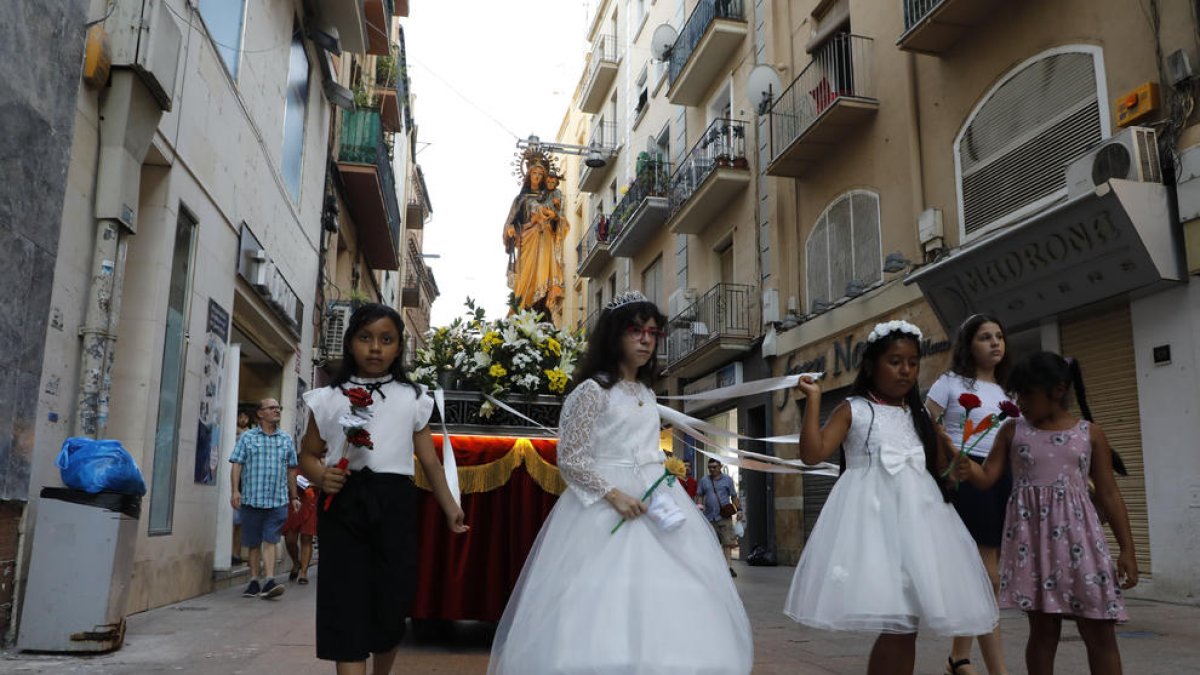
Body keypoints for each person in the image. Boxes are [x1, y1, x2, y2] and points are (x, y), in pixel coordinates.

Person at [488, 291, 753, 675]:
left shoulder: (646, 392)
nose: (646, 339)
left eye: (652, 332)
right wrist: (613, 495)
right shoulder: (591, 391)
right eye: (636, 331)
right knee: (601, 600)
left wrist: (664, 477)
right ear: (614, 335)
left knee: (669, 596)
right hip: (604, 507)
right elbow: (572, 457)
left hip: (657, 502)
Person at [784, 320, 998, 675]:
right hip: (873, 526)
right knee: (898, 625)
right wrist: (815, 401)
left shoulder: (918, 417)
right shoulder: (853, 409)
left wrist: (954, 464)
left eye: (913, 362)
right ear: (871, 366)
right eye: (895, 361)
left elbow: (944, 475)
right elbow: (812, 452)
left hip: (920, 528)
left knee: (907, 625)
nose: (906, 370)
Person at [299, 303, 467, 674]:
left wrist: (450, 505)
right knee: (345, 603)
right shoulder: (328, 398)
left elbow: (429, 462)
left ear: (398, 348)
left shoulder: (413, 397)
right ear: (350, 343)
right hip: (343, 506)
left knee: (391, 605)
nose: (375, 348)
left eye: (386, 340)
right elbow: (308, 456)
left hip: (394, 506)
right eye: (365, 338)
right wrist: (320, 476)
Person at [954, 352, 1137, 675]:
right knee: (1043, 632)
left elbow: (1109, 493)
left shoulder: (1090, 434)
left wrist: (1128, 550)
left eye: (1027, 394)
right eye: (1017, 394)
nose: (1020, 401)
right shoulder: (1012, 431)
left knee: (1099, 631)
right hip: (1033, 549)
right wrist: (964, 465)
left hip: (1083, 549)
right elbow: (987, 478)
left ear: (1057, 390)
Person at [926, 314, 1013, 675]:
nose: (994, 343)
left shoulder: (1009, 391)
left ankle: (958, 658)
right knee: (986, 575)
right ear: (968, 344)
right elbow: (924, 421)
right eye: (984, 337)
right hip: (964, 472)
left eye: (999, 336)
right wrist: (945, 449)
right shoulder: (949, 382)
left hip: (1002, 475)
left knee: (982, 573)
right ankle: (997, 669)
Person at [230, 398, 300, 600]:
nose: (277, 410)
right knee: (253, 542)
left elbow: (291, 470)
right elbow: (236, 464)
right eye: (272, 408)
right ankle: (253, 581)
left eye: (279, 407)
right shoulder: (247, 438)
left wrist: (293, 496)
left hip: (277, 500)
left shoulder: (286, 440)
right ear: (260, 414)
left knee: (271, 539)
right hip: (252, 499)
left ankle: (269, 580)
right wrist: (235, 491)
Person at [502, 155, 569, 321]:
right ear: (528, 175)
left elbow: (560, 222)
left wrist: (554, 216)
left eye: (541, 174)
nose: (537, 177)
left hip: (545, 240)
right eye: (534, 173)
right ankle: (521, 308)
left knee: (544, 276)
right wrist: (511, 230)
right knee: (525, 277)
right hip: (527, 240)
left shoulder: (549, 197)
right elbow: (510, 222)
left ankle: (541, 308)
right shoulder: (521, 199)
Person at [698, 457, 742, 577]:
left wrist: (739, 510)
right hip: (709, 517)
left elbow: (733, 496)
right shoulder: (704, 480)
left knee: (727, 543)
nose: (712, 470)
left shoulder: (728, 480)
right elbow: (700, 495)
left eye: (714, 467)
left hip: (724, 517)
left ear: (720, 467)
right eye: (710, 467)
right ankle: (714, 568)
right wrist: (700, 507)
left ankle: (728, 567)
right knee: (712, 544)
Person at [283, 474, 317, 585]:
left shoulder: (316, 458)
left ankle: (303, 573)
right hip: (292, 498)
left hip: (310, 497)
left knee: (307, 536)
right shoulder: (290, 459)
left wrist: (310, 483)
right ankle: (296, 563)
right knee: (290, 539)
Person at [231, 409, 253, 566]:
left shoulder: (250, 435)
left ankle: (237, 553)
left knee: (239, 524)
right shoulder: (237, 433)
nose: (243, 419)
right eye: (241, 416)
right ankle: (234, 552)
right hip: (236, 485)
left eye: (246, 416)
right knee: (235, 522)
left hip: (245, 485)